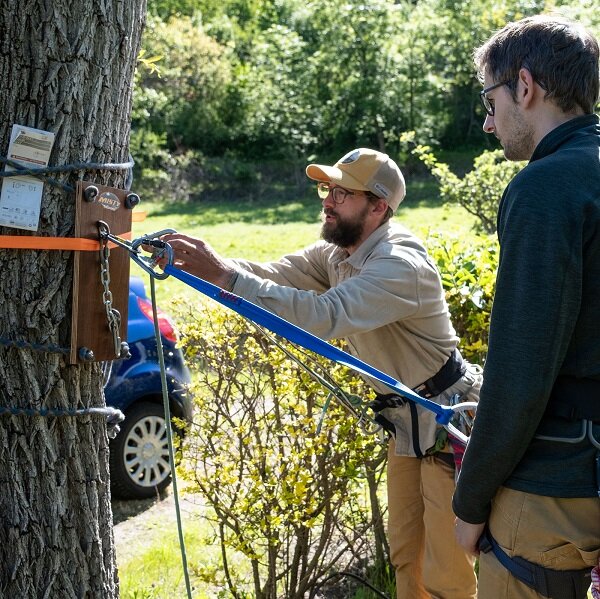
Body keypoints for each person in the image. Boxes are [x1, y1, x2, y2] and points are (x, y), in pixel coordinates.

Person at [159, 147, 481, 598]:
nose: (328, 201)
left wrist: (223, 275)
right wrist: (196, 261)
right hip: (405, 424)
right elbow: (268, 274)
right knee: (408, 556)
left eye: (344, 193)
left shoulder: (398, 263)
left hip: (443, 422)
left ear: (379, 206)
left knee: (446, 569)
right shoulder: (338, 254)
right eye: (328, 189)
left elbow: (326, 315)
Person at [452, 14, 600, 599]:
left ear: (526, 86)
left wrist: (470, 501)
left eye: (490, 101)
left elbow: (520, 370)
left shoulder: (545, 188)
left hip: (554, 486)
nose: (488, 122)